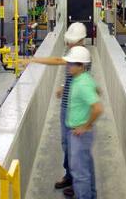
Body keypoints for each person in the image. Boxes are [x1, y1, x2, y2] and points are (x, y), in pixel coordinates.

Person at [21, 22, 87, 196]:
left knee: (75, 148)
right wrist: (64, 86)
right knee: (66, 144)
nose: (70, 44)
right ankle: (69, 176)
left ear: (80, 40)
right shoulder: (74, 52)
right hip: (66, 107)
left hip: (77, 111)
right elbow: (72, 75)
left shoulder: (82, 55)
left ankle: (77, 182)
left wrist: (33, 59)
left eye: (72, 41)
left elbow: (58, 61)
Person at [63, 46, 103, 199]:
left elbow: (98, 108)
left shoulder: (82, 83)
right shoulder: (83, 78)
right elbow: (98, 91)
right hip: (79, 132)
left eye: (71, 63)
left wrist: (85, 126)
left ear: (81, 65)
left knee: (80, 175)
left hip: (79, 134)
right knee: (86, 169)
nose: (68, 66)